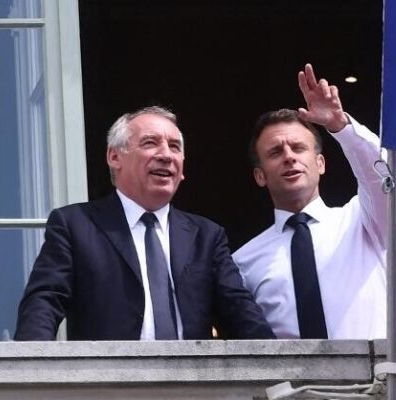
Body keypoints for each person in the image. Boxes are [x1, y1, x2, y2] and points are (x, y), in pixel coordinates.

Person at [15, 106, 274, 341]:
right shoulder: (75, 225)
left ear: (182, 169)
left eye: (175, 147)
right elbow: (44, 302)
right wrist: (29, 374)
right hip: (106, 386)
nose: (165, 155)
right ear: (114, 157)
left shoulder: (206, 236)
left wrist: (278, 369)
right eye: (150, 143)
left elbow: (240, 311)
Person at [234, 64, 386, 339]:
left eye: (299, 147)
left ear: (321, 163)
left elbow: (384, 178)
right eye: (275, 152)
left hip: (373, 381)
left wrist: (340, 127)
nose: (289, 157)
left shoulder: (362, 220)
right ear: (260, 175)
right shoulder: (243, 262)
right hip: (290, 383)